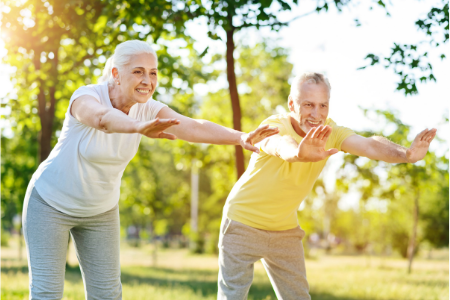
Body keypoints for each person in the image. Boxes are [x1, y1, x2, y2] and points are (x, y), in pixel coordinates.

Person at [22, 40, 278, 299]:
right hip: (49, 203)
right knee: (47, 293)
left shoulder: (148, 108)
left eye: (153, 72)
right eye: (138, 71)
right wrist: (137, 126)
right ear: (116, 74)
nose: (147, 80)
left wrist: (240, 137)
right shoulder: (85, 97)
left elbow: (193, 127)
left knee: (108, 295)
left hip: (100, 211)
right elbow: (101, 118)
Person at [217, 72, 437, 300]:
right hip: (242, 223)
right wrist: (298, 153)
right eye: (308, 105)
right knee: (231, 296)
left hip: (284, 229)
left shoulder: (330, 132)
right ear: (292, 104)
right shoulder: (274, 125)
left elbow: (369, 145)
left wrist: (407, 154)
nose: (316, 114)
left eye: (323, 105)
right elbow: (280, 144)